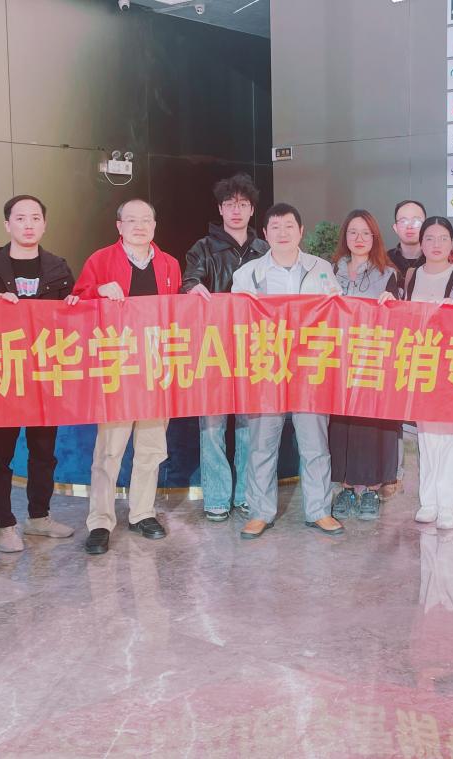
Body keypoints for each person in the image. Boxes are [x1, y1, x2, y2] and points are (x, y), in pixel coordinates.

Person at [73, 199, 182, 555]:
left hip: (155, 369)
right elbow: (76, 302)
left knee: (151, 447)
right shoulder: (100, 260)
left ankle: (142, 513)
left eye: (146, 219)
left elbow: (177, 313)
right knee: (109, 451)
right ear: (119, 226)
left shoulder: (169, 264)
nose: (139, 226)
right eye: (131, 220)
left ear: (155, 225)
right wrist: (97, 291)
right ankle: (100, 521)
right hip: (116, 368)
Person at [0, 195, 79, 553]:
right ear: (7, 225)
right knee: (0, 454)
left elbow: (68, 325)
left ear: (44, 224)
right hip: (3, 374)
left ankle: (39, 517)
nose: (28, 224)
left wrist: (75, 306)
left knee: (44, 451)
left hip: (46, 374)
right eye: (20, 218)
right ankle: (4, 525)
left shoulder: (59, 269)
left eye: (35, 218)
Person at [232, 203, 345, 539]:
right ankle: (260, 512)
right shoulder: (248, 273)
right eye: (275, 227)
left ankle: (319, 511)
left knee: (315, 444)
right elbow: (236, 320)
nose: (282, 233)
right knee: (262, 444)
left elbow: (336, 314)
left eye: (289, 226)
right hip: (266, 369)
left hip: (310, 370)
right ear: (265, 233)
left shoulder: (321, 268)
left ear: (301, 231)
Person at [381, 217, 453, 530]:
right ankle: (429, 501)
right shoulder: (409, 277)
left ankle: (448, 504)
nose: (436, 244)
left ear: (452, 243)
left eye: (443, 238)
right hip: (422, 365)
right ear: (421, 243)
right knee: (427, 437)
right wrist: (387, 302)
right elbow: (394, 314)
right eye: (430, 238)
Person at [181, 174, 270, 522]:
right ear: (220, 209)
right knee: (212, 425)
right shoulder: (203, 247)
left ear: (252, 210)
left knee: (250, 426)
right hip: (213, 347)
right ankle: (217, 497)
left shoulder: (264, 250)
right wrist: (191, 287)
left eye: (243, 204)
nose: (236, 210)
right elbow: (190, 280)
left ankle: (246, 494)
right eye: (230, 204)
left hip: (254, 348)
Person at [328, 210, 401, 521]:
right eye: (353, 232)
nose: (359, 239)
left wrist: (391, 304)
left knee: (371, 426)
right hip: (338, 361)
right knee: (341, 425)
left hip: (373, 361)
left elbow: (399, 317)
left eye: (365, 233)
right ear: (345, 236)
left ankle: (370, 489)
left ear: (375, 237)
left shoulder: (388, 274)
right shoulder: (330, 271)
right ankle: (346, 488)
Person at [387, 199, 427, 279]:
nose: (409, 226)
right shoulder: (384, 260)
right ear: (395, 228)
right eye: (403, 221)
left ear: (426, 226)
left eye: (416, 221)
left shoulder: (437, 258)